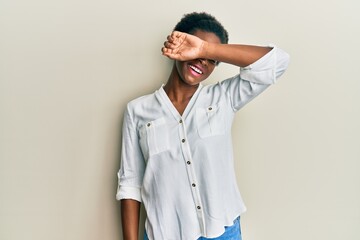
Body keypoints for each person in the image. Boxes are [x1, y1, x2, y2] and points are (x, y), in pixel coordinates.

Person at [116, 12, 290, 240]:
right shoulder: (137, 110)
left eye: (211, 60)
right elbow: (130, 183)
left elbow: (278, 62)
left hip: (223, 233)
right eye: (195, 49)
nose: (202, 63)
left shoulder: (223, 98)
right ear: (178, 45)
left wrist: (204, 49)